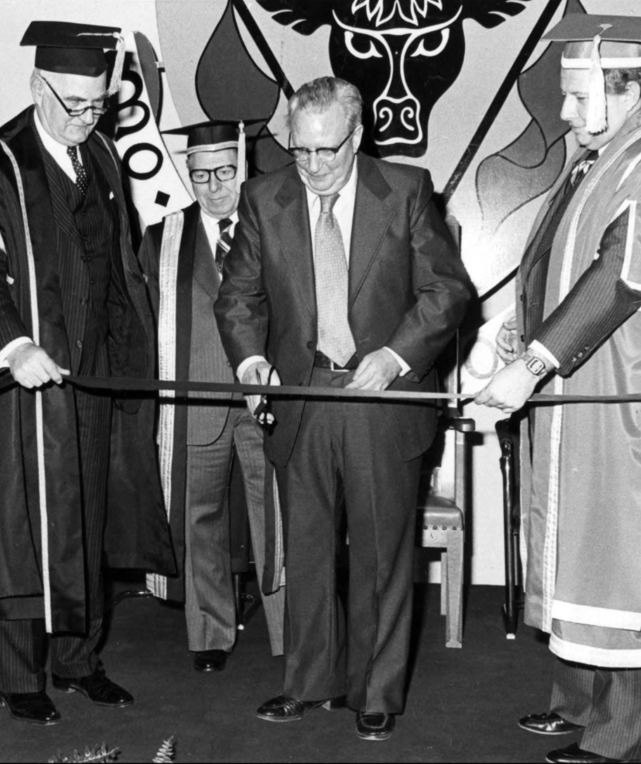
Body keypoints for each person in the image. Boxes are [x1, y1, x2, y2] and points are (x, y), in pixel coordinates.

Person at [476, 14, 641, 764]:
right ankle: (580, 703)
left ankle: (623, 740)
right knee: (577, 549)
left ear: (627, 89)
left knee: (628, 557)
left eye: (577, 95)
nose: (563, 113)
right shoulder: (604, 155)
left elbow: (625, 273)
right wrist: (524, 331)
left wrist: (536, 361)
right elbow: (561, 260)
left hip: (630, 403)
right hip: (581, 390)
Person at [214, 76, 471, 742]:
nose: (316, 167)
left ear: (357, 137)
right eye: (301, 152)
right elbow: (238, 298)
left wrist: (396, 355)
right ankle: (307, 682)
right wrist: (250, 362)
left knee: (383, 553)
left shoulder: (407, 190)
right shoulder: (263, 197)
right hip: (301, 395)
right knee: (306, 550)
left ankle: (375, 693)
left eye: (329, 150)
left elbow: (447, 290)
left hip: (380, 394)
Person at [0, 21, 173, 727]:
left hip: (92, 376)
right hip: (23, 383)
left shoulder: (100, 153)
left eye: (96, 104)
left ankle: (77, 660)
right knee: (21, 522)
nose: (84, 117)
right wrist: (15, 345)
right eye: (70, 103)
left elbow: (119, 266)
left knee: (88, 515)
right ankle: (18, 676)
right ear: (37, 86)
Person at [139, 120, 285, 671]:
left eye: (225, 172)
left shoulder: (274, 226)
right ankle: (209, 636)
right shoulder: (162, 237)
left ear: (243, 168)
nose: (214, 187)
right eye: (200, 175)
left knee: (275, 516)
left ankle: (289, 633)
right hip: (192, 399)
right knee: (199, 520)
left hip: (264, 400)